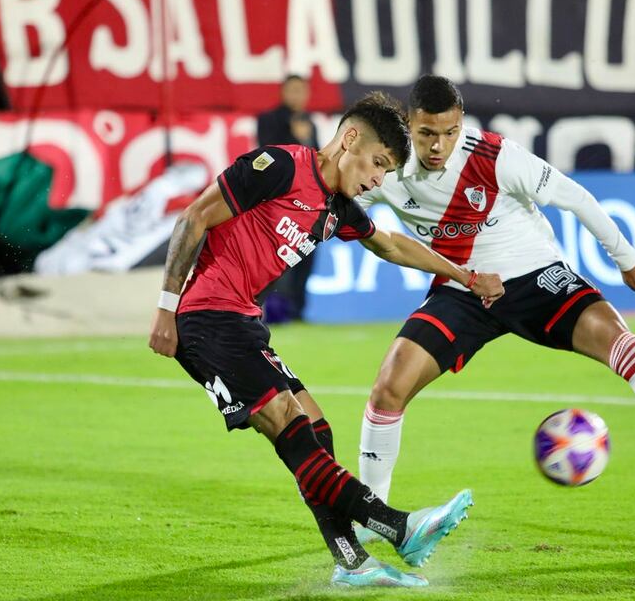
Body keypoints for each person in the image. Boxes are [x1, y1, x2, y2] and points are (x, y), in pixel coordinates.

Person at [353, 76, 635, 532]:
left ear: (461, 123)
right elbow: (336, 194)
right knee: (389, 388)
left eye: (449, 133)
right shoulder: (389, 167)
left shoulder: (495, 156)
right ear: (410, 124)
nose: (437, 146)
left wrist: (626, 258)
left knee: (623, 345)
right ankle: (372, 520)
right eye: (426, 134)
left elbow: (576, 198)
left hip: (534, 275)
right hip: (464, 289)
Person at [147, 92, 504, 587]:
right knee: (292, 427)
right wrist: (167, 310)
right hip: (208, 319)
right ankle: (399, 528)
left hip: (242, 322)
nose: (378, 179)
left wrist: (464, 275)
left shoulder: (337, 206)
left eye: (386, 172)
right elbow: (194, 218)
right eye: (378, 163)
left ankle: (351, 562)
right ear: (349, 139)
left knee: (316, 430)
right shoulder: (277, 167)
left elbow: (392, 244)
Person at [256, 75, 320, 322]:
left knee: (306, 255)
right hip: (280, 202)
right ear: (283, 92)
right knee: (281, 258)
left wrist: (306, 138)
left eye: (301, 90)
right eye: (292, 90)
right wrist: (297, 139)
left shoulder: (309, 122)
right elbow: (268, 154)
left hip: (308, 205)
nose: (297, 96)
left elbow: (317, 160)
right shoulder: (268, 120)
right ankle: (276, 312)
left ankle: (299, 311)